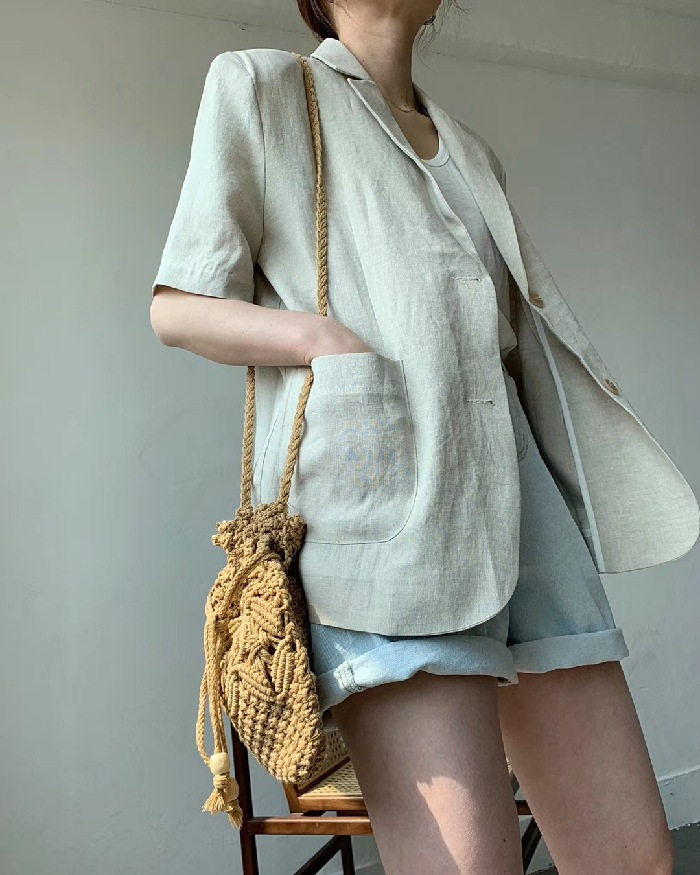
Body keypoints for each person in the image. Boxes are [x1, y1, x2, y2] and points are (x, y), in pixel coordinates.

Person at [150, 2, 690, 872]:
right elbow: (179, 306)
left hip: (524, 515)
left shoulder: (472, 151)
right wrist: (322, 340)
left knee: (634, 856)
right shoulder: (264, 87)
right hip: (387, 521)